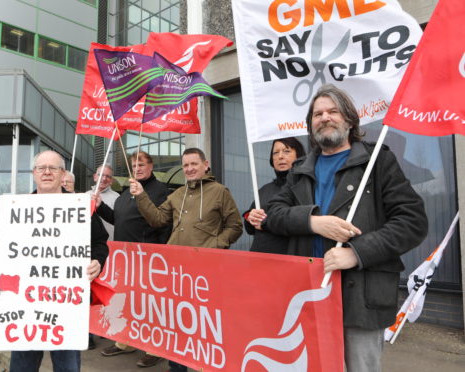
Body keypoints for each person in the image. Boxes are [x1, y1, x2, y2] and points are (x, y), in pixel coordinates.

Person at [265, 84, 428, 372]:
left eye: (333, 111)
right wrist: (313, 222)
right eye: (318, 114)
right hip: (308, 293)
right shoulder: (300, 169)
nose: (325, 117)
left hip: (360, 299)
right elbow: (273, 215)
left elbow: (412, 222)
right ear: (310, 124)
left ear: (350, 120)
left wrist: (357, 253)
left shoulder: (377, 161)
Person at [0, 150, 109, 372]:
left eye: (54, 168)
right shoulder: (16, 208)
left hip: (66, 305)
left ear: (63, 174)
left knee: (68, 367)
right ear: (34, 173)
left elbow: (100, 242)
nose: (47, 172)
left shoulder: (80, 208)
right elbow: (4, 247)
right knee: (22, 367)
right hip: (25, 307)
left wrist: (97, 262)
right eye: (42, 168)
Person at [129, 147, 242, 372]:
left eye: (194, 164)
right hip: (177, 272)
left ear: (205, 165)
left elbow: (235, 226)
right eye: (186, 165)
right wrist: (141, 195)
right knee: (178, 322)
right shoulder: (177, 194)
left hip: (205, 271)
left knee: (203, 324)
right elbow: (157, 219)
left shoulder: (220, 192)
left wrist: (216, 245)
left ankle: (205, 365)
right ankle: (176, 367)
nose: (189, 169)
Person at [93, 151, 171, 368]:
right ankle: (126, 342)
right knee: (129, 303)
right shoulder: (127, 191)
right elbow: (119, 220)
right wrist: (100, 207)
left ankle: (154, 348)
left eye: (141, 164)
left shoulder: (160, 191)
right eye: (133, 165)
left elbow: (162, 222)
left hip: (148, 258)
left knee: (150, 306)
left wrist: (161, 255)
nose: (137, 168)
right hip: (125, 259)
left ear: (151, 165)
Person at [243, 137, 305, 253]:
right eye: (275, 153)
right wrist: (250, 218)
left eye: (286, 151)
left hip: (291, 261)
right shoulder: (264, 190)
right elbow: (249, 229)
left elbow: (301, 223)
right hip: (259, 261)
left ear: (299, 155)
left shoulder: (306, 188)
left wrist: (266, 223)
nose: (280, 156)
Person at [87, 164, 119, 240]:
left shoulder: (117, 198)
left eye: (108, 176)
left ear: (111, 180)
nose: (104, 178)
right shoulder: (85, 195)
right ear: (95, 177)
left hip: (110, 243)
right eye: (101, 175)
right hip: (89, 243)